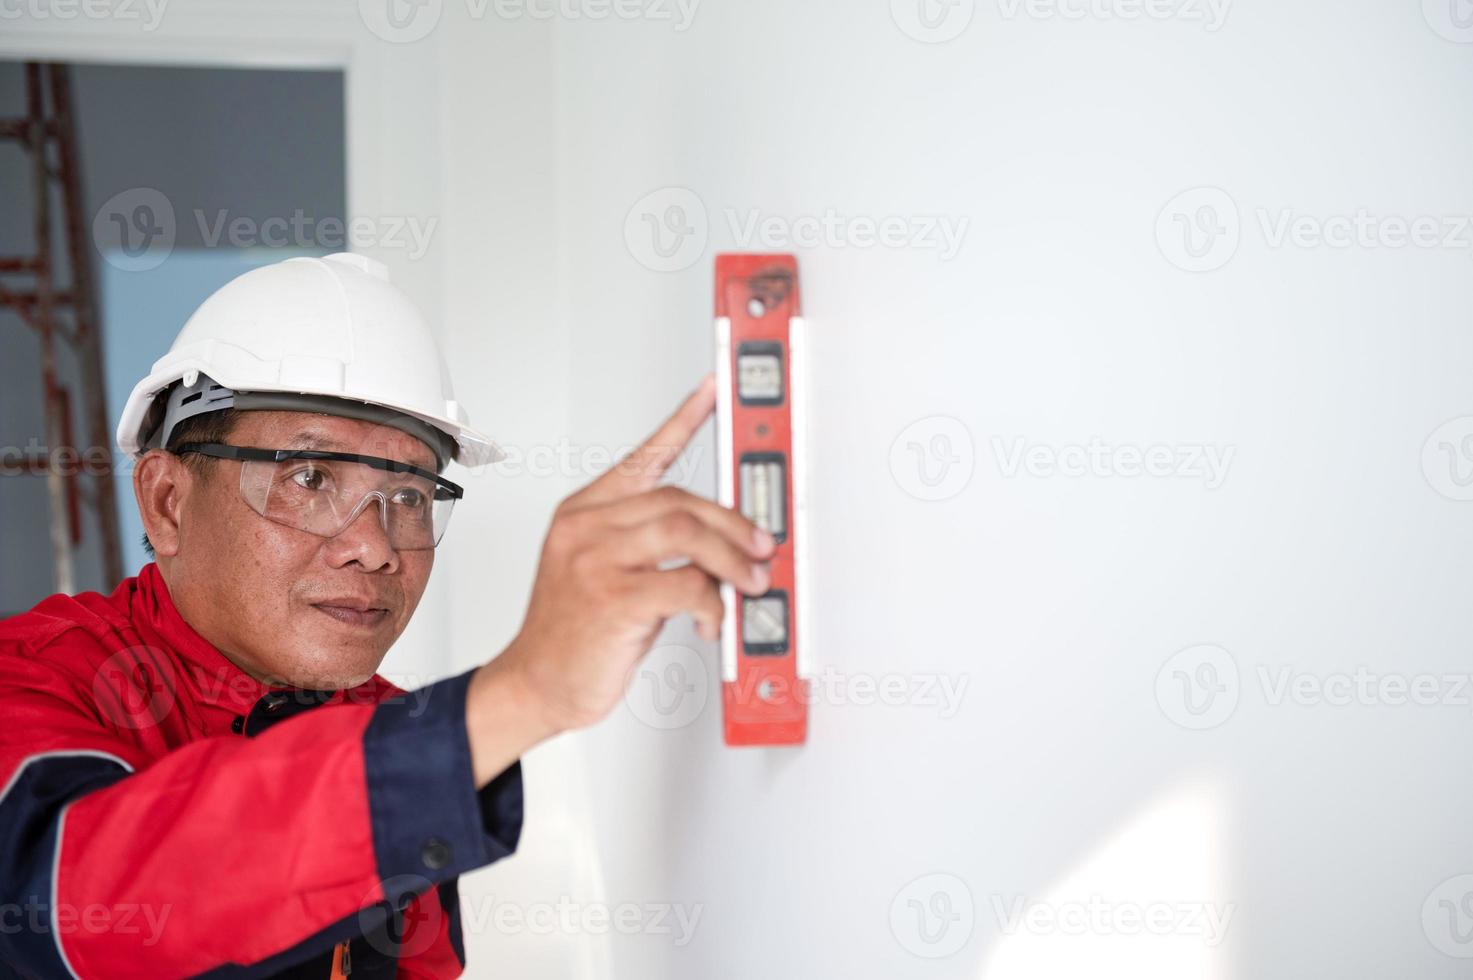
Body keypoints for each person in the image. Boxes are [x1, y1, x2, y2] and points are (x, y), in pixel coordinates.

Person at [0, 253, 775, 978]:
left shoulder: (391, 734)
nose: (374, 546)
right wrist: (523, 689)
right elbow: (76, 907)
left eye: (407, 495)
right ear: (167, 502)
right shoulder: (31, 681)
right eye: (308, 477)